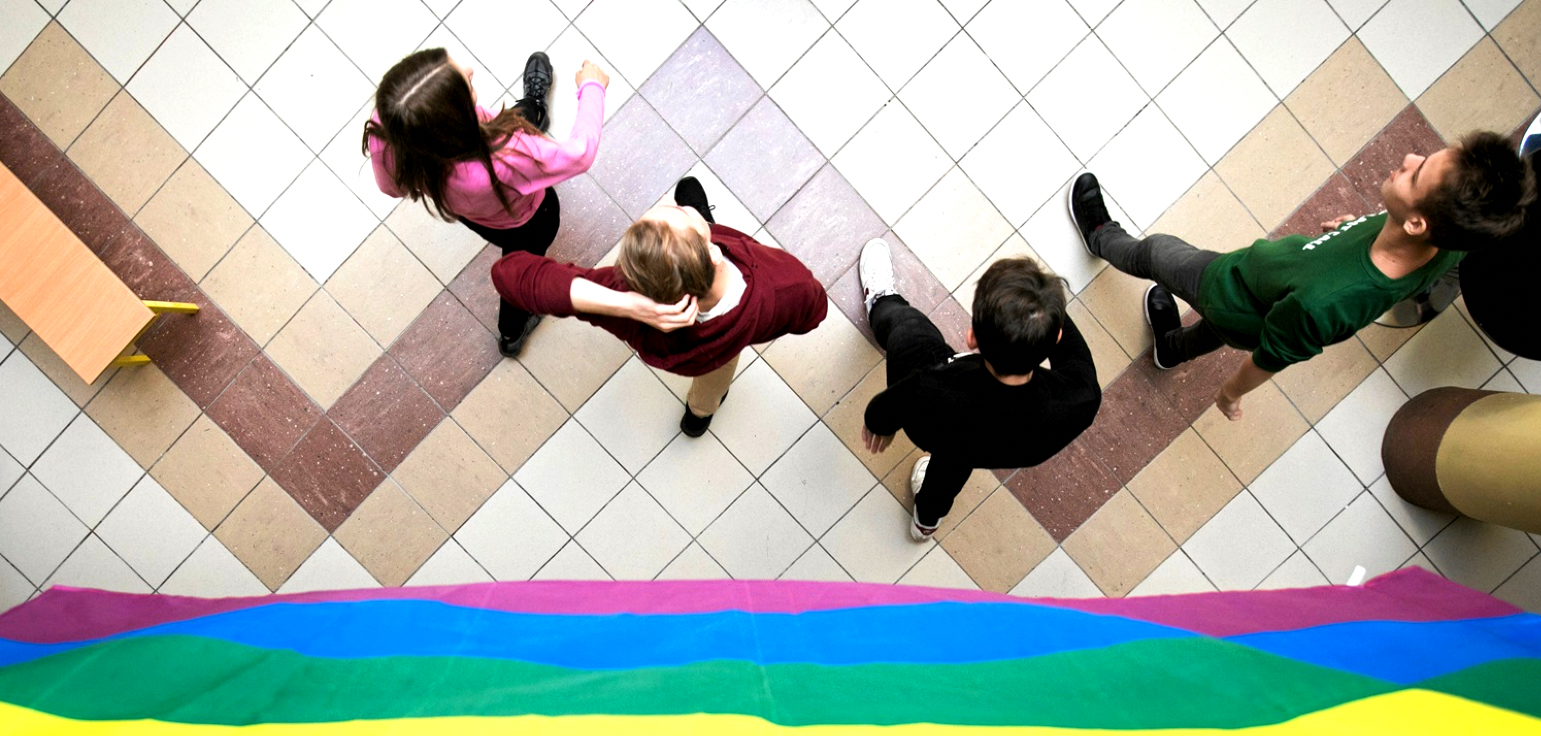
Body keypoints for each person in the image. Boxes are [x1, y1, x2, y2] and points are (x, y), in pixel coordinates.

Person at [1068, 130, 1535, 420]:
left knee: (1157, 253)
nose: (1410, 159)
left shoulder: (1325, 301)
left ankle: (1101, 237)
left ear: (1416, 223)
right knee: (1216, 333)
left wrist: (1230, 395)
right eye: (1425, 159)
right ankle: (1170, 349)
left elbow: (1272, 357)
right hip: (1264, 304)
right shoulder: (1445, 243)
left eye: (1417, 175)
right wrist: (1350, 230)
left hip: (1230, 289)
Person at [491, 177, 827, 436]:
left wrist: (623, 304)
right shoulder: (782, 288)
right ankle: (699, 414)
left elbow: (509, 274)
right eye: (679, 211)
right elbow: (814, 310)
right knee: (720, 371)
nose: (669, 198)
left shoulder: (626, 296)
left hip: (697, 348)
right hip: (743, 325)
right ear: (713, 252)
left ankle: (700, 414)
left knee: (714, 371)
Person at [365, 48, 610, 355]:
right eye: (465, 83)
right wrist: (592, 87)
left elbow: (391, 188)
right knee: (520, 274)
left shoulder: (389, 128)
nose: (470, 70)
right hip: (530, 219)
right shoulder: (508, 156)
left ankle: (534, 107)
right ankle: (512, 332)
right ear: (455, 118)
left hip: (476, 216)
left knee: (517, 120)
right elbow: (579, 154)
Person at [858, 242, 1101, 542]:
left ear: (972, 338)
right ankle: (926, 522)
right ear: (1057, 339)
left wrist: (878, 424)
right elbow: (1074, 357)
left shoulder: (931, 387)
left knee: (906, 326)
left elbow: (890, 405)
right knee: (953, 466)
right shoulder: (1080, 398)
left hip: (944, 427)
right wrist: (1040, 308)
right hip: (998, 445)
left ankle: (881, 301)